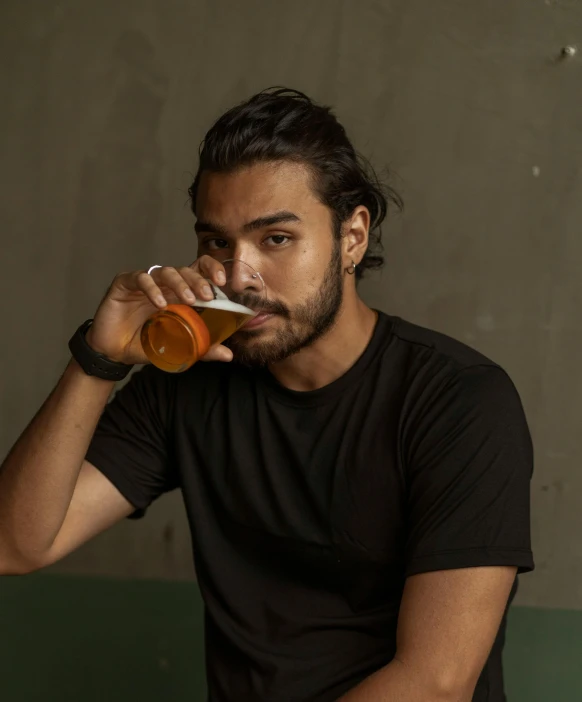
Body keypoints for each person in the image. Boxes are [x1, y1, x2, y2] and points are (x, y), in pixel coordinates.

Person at [0, 87, 533, 702]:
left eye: (275, 239)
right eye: (216, 242)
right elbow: (17, 544)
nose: (237, 275)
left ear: (353, 236)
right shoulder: (187, 389)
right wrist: (98, 360)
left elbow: (435, 683)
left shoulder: (459, 402)